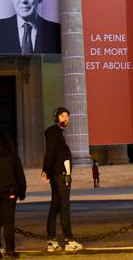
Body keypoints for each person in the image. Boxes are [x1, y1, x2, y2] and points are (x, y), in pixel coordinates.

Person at [42, 107, 82, 252]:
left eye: (68, 117)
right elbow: (50, 152)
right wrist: (45, 170)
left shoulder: (57, 133)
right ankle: (69, 240)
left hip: (58, 173)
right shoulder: (54, 132)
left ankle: (52, 240)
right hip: (60, 174)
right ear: (57, 117)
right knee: (64, 207)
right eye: (63, 116)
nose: (66, 119)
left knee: (56, 206)